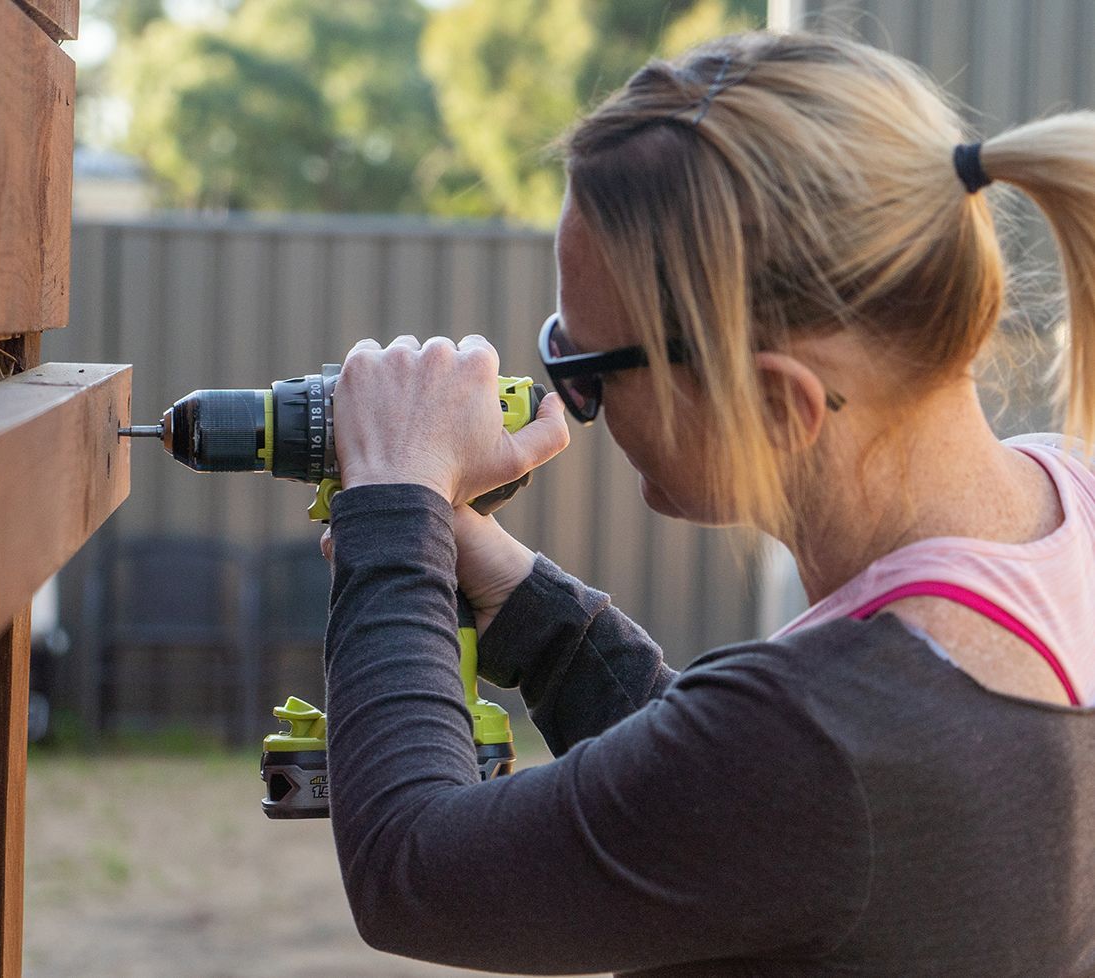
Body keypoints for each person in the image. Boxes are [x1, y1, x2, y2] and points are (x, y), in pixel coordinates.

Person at [319, 30, 1095, 977]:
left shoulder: (820, 741)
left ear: (774, 402)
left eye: (587, 368)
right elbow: (730, 826)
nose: (571, 397)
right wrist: (534, 611)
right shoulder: (1068, 510)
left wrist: (393, 504)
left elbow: (412, 870)